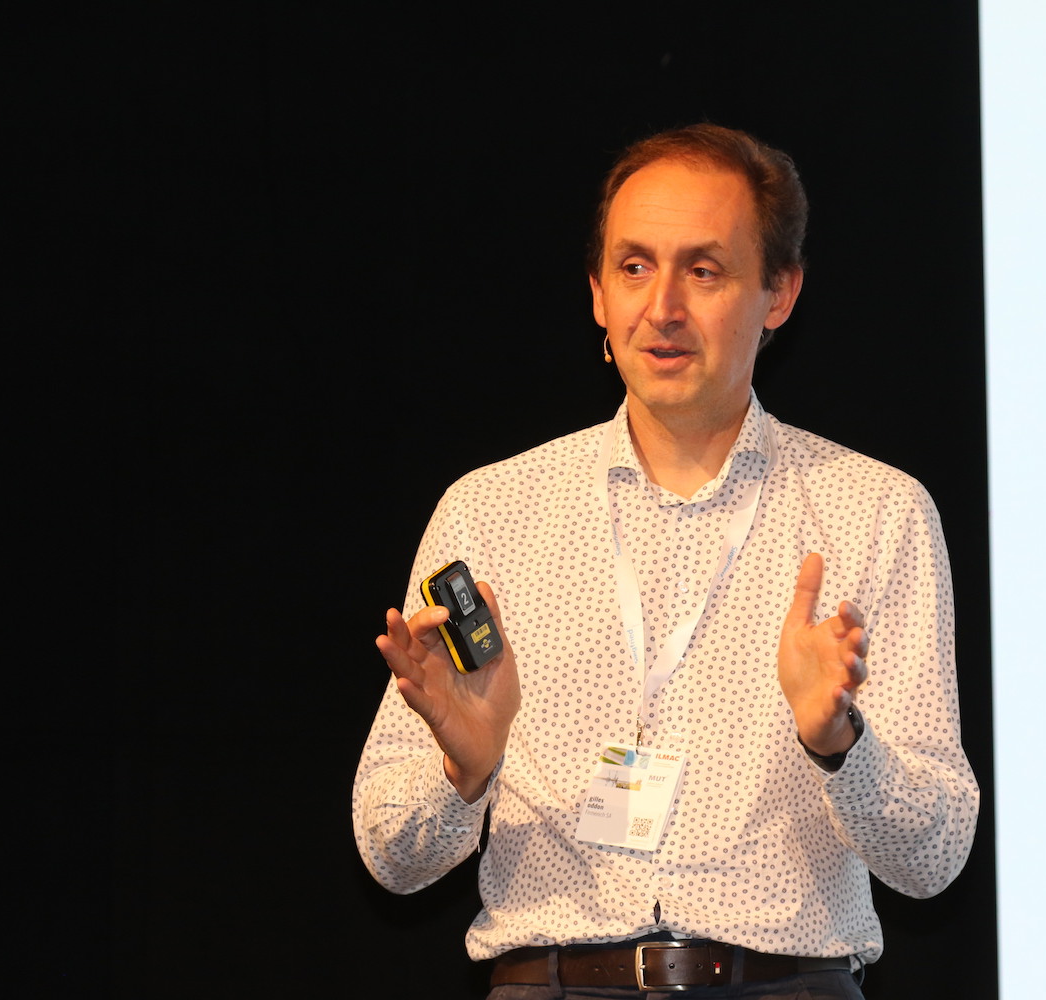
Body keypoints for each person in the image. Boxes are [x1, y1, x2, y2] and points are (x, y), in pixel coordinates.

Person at [353, 123, 978, 999]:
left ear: (780, 293)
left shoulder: (875, 512)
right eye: (635, 267)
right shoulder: (490, 511)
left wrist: (840, 744)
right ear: (598, 294)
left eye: (705, 270)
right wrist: (464, 770)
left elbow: (934, 857)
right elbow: (390, 855)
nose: (663, 307)